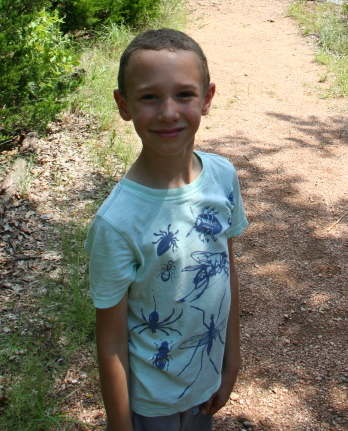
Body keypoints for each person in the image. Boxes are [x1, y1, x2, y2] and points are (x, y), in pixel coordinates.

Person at [85, 28, 248, 431]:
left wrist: (231, 360)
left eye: (184, 94)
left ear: (207, 98)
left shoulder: (222, 176)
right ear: (123, 105)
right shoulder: (116, 222)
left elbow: (226, 269)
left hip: (204, 385)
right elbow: (111, 341)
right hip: (151, 406)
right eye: (149, 97)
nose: (169, 112)